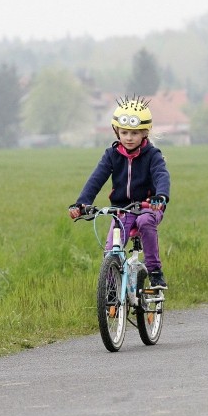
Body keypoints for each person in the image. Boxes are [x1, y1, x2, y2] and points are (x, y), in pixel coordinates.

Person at [69, 96, 171, 289]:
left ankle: (155, 271)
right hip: (122, 209)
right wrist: (82, 203)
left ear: (144, 133)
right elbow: (96, 179)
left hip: (148, 206)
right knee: (111, 250)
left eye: (134, 133)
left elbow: (161, 175)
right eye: (124, 133)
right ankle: (110, 291)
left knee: (144, 221)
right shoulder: (112, 155)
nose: (129, 138)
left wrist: (161, 196)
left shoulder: (153, 155)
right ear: (117, 131)